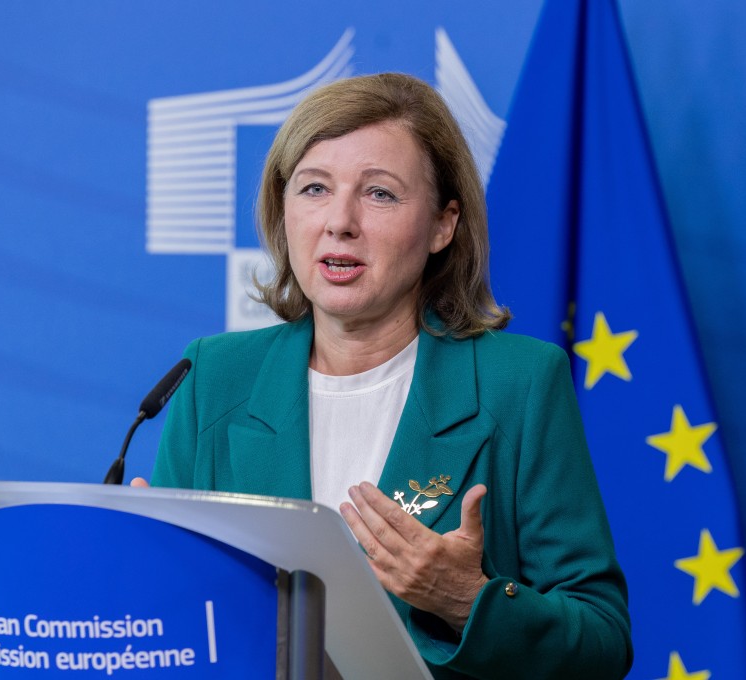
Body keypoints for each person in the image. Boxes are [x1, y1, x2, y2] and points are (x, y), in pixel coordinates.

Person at [145, 72, 632, 679]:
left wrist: (464, 600)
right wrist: (150, 572)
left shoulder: (521, 384)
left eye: (379, 194)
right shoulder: (214, 375)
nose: (339, 221)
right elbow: (173, 634)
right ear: (283, 209)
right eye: (315, 188)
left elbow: (602, 642)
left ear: (442, 225)